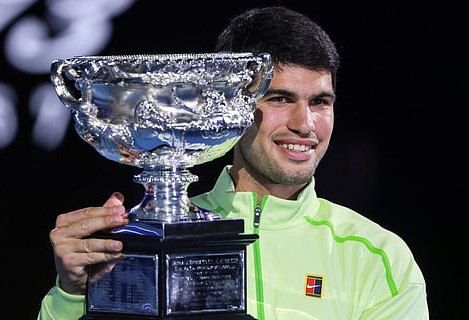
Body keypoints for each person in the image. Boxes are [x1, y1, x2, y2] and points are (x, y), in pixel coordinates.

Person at [38, 6, 429, 320]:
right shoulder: (141, 239)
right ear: (230, 104)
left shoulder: (376, 257)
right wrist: (71, 296)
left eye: (320, 102)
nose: (304, 124)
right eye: (279, 99)